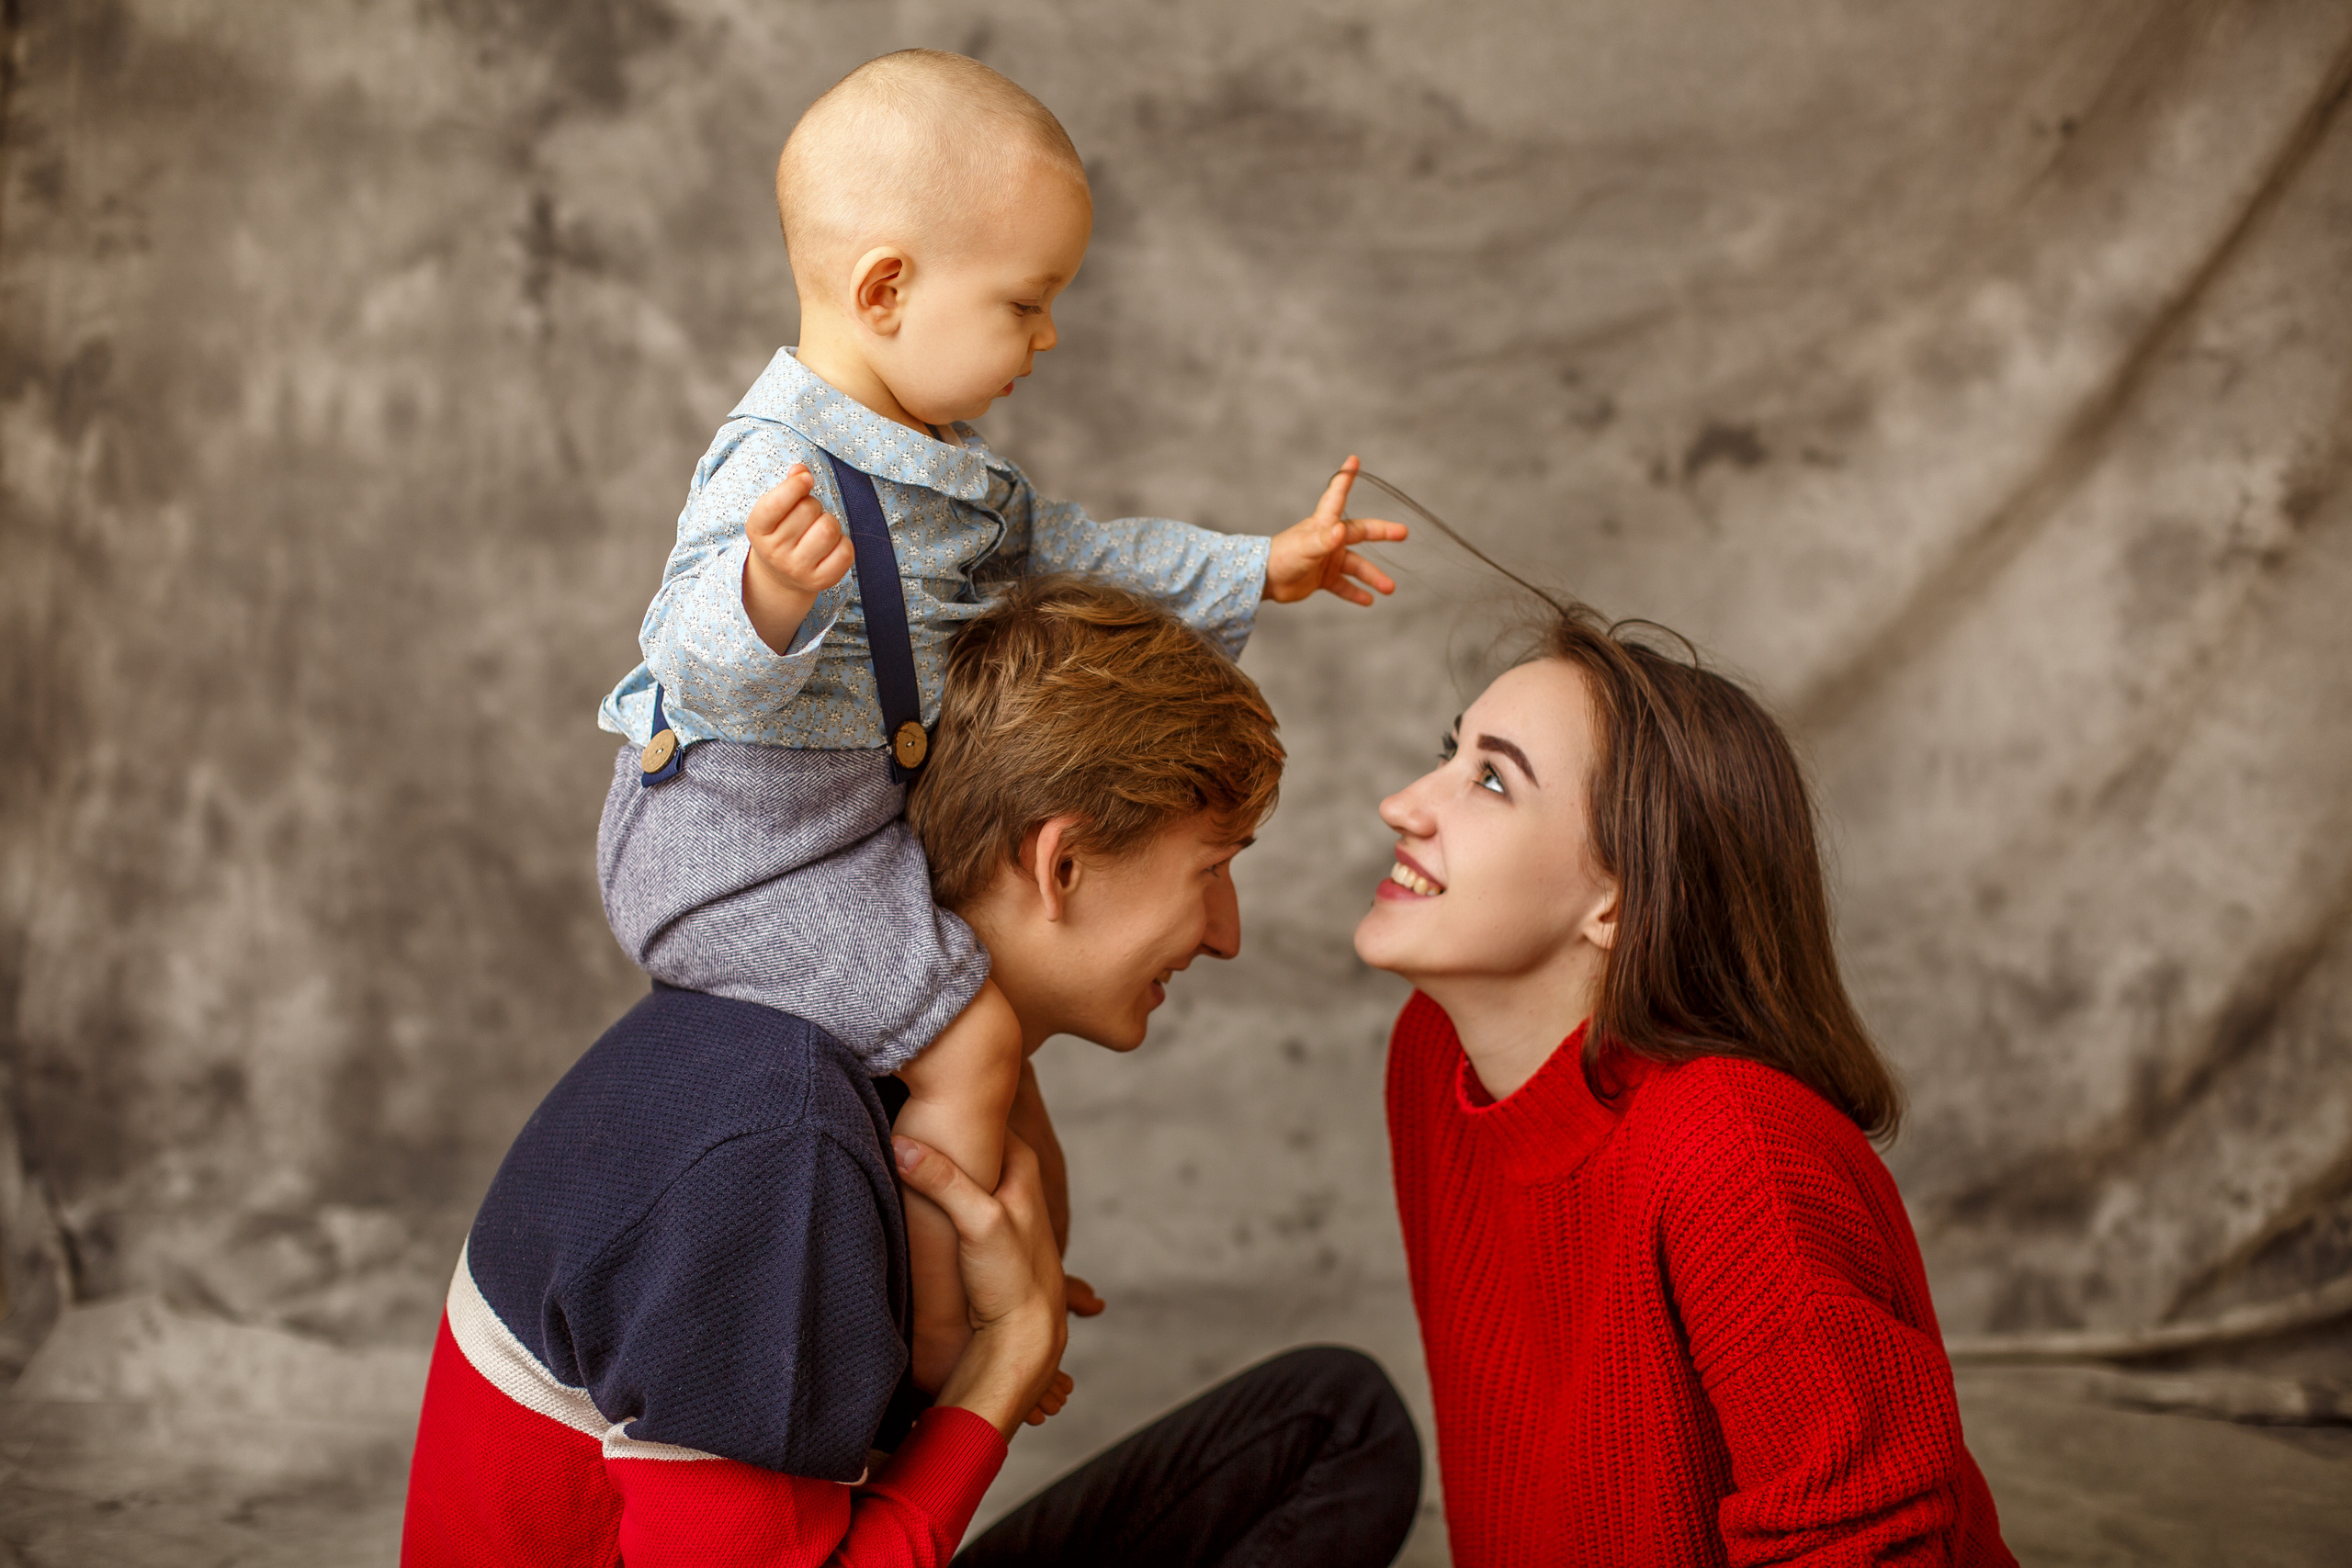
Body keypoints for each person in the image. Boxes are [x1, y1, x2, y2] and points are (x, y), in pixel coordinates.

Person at [593, 47, 1407, 1391]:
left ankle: (1018, 1273)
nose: (1046, 337)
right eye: (1027, 303)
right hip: (732, 848)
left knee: (1007, 1059)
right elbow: (687, 659)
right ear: (887, 289)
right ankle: (934, 1358)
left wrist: (1261, 563)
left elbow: (1087, 554)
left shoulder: (950, 476)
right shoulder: (775, 467)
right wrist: (764, 596)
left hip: (844, 836)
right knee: (968, 1035)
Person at [403, 577, 1423, 1567]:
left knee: (1330, 1430)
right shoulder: (783, 1148)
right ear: (1058, 864)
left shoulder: (872, 1072)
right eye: (1211, 870)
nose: (1226, 935)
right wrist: (1005, 1364)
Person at [1355, 599, 2016, 1566]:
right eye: (1451, 754)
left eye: (1490, 780)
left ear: (1615, 901)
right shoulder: (1434, 1057)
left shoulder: (1735, 1154)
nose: (1404, 803)